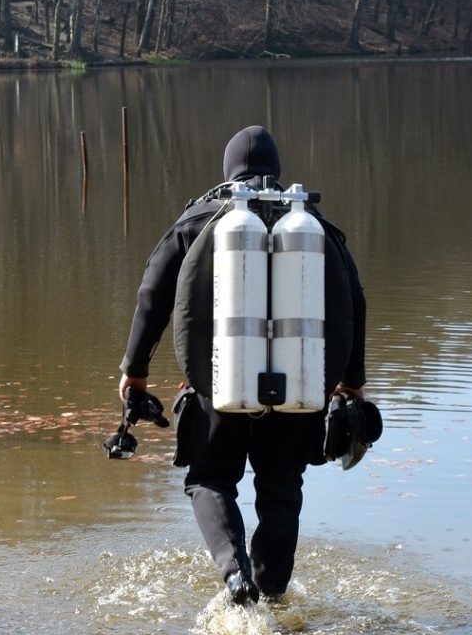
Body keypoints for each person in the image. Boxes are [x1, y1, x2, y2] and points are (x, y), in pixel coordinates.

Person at [116, 125, 368, 606]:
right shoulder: (312, 226)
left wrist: (136, 369)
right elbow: (353, 302)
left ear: (228, 170)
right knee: (281, 489)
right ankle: (272, 599)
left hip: (220, 382)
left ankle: (236, 578)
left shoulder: (200, 220)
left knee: (210, 479)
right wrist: (351, 383)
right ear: (277, 169)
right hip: (296, 383)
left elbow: (152, 294)